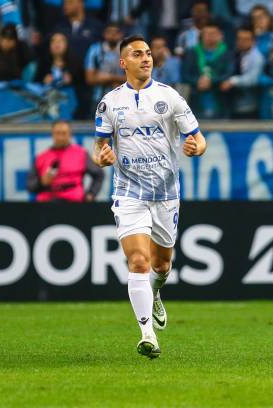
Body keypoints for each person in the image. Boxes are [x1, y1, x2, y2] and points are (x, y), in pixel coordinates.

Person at [93, 35, 207, 358]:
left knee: (162, 263)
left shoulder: (169, 97)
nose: (146, 58)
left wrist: (195, 147)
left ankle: (155, 293)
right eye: (137, 54)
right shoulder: (109, 103)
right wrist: (101, 157)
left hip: (166, 194)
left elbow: (199, 140)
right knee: (138, 261)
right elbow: (99, 147)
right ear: (123, 62)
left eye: (147, 53)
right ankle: (147, 335)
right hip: (129, 193)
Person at [27, 120, 104, 202]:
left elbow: (98, 174)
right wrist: (41, 182)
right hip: (47, 202)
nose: (60, 137)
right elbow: (30, 186)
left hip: (74, 202)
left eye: (64, 133)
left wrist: (91, 194)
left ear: (70, 134)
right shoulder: (41, 157)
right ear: (52, 134)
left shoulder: (81, 154)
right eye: (57, 133)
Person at [181, 22, 233, 119]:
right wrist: (197, 81)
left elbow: (229, 73)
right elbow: (185, 74)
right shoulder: (192, 52)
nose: (211, 37)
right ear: (201, 36)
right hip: (196, 99)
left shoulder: (227, 53)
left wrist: (211, 81)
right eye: (207, 34)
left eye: (214, 34)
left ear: (219, 36)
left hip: (220, 99)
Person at [219, 26, 263, 118]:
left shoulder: (257, 57)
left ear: (253, 41)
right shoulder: (237, 54)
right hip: (234, 103)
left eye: (246, 39)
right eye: (239, 39)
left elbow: (253, 78)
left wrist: (232, 81)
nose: (242, 42)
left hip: (250, 105)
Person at [85, 22, 126, 106]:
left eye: (116, 32)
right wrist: (120, 79)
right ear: (104, 34)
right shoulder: (95, 49)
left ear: (121, 34)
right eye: (109, 32)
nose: (113, 35)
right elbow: (89, 78)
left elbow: (135, 79)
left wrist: (109, 78)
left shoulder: (128, 51)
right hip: (99, 98)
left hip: (123, 98)